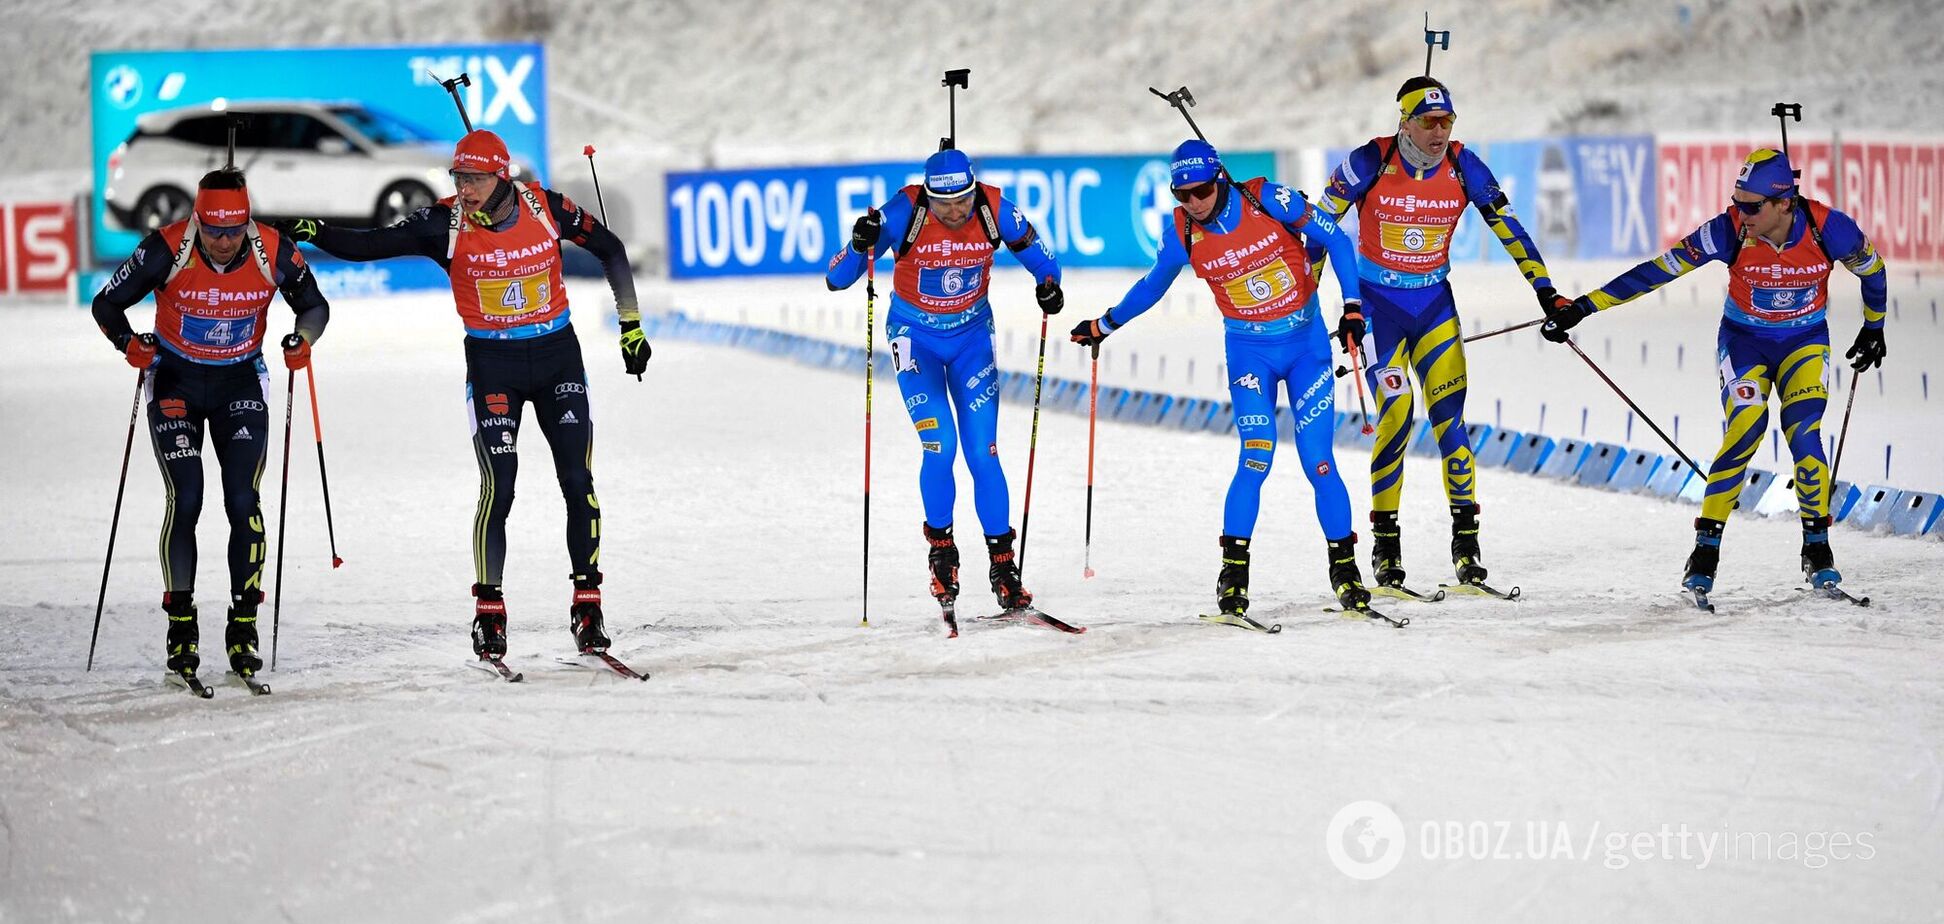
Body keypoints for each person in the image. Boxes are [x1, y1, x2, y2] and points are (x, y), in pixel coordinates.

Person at [278, 129, 648, 660]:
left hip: (556, 357)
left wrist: (630, 325)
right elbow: (369, 244)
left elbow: (610, 248)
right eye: (459, 178)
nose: (466, 189)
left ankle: (587, 604)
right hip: (493, 363)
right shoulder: (442, 223)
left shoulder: (547, 208)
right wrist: (314, 229)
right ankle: (489, 611)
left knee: (578, 480)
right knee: (499, 485)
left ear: (501, 176)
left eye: (474, 178)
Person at [1543, 148, 1887, 595]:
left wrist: (1874, 328)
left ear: (1784, 202)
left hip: (1804, 343)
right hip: (1744, 343)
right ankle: (1704, 553)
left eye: (1751, 206)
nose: (1740, 213)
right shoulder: (1727, 230)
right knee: (1745, 428)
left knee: (1804, 433)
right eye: (1736, 200)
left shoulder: (1829, 228)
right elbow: (1658, 271)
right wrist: (1584, 306)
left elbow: (1874, 271)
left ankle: (1817, 550)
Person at [1069, 139, 1375, 619]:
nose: (1194, 202)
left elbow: (1336, 238)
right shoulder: (1183, 233)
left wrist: (1353, 307)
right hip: (1249, 355)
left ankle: (1346, 571)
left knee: (1318, 462)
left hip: (1306, 350)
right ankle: (1233, 575)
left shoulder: (1266, 199)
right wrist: (1105, 324)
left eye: (1202, 191)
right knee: (1256, 457)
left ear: (1220, 179)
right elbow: (1153, 285)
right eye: (1182, 194)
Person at [1312, 77, 1571, 593]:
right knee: (1398, 416)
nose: (1438, 131)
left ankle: (1467, 543)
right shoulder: (1370, 160)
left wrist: (1547, 291)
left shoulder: (1463, 164)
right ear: (1403, 121)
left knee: (1452, 426)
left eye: (1447, 121)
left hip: (1433, 307)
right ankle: (1386, 546)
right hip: (1380, 311)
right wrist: (1308, 306)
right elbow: (1319, 227)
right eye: (1428, 121)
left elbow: (1509, 227)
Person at [92, 167, 330, 683]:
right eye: (213, 231)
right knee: (188, 498)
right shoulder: (166, 248)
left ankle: (243, 623)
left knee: (243, 500)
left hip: (240, 384)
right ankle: (181, 625)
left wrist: (303, 340)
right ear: (197, 220)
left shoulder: (273, 250)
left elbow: (314, 305)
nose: (223, 243)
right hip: (175, 380)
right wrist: (129, 344)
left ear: (247, 222)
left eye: (233, 231)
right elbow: (106, 303)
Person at [825, 148, 1065, 618]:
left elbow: (1043, 257)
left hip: (973, 337)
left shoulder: (995, 208)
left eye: (963, 202)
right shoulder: (903, 211)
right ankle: (943, 552)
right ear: (927, 196)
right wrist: (859, 243)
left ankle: (1004, 565)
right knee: (941, 445)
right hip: (916, 340)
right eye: (943, 204)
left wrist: (1050, 286)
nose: (955, 212)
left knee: (984, 452)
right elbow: (837, 279)